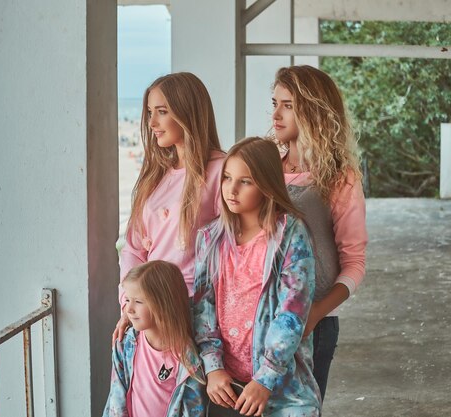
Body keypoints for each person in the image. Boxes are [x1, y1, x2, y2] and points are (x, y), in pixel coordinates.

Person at [193, 137, 320, 417]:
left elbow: (292, 314)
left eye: (245, 181)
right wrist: (213, 367)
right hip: (226, 387)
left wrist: (265, 378)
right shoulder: (210, 238)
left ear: (266, 184)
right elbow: (203, 307)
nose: (231, 189)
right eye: (227, 178)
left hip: (283, 387)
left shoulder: (290, 235)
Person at [270, 65, 368, 401]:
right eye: (274, 103)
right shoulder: (263, 168)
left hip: (315, 325)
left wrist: (315, 314)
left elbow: (354, 263)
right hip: (260, 317)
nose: (276, 114)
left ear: (313, 111)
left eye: (288, 105)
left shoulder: (341, 179)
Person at [113, 72, 226, 342]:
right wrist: (129, 304)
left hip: (193, 316)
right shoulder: (156, 174)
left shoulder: (222, 170)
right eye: (150, 112)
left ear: (187, 112)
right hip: (148, 315)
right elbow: (133, 247)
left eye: (161, 112)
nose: (152, 122)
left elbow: (235, 247)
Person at [104, 260, 207, 417]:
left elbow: (193, 411)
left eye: (138, 301)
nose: (129, 309)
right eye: (127, 300)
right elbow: (116, 398)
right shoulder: (126, 345)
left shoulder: (188, 358)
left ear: (163, 304)